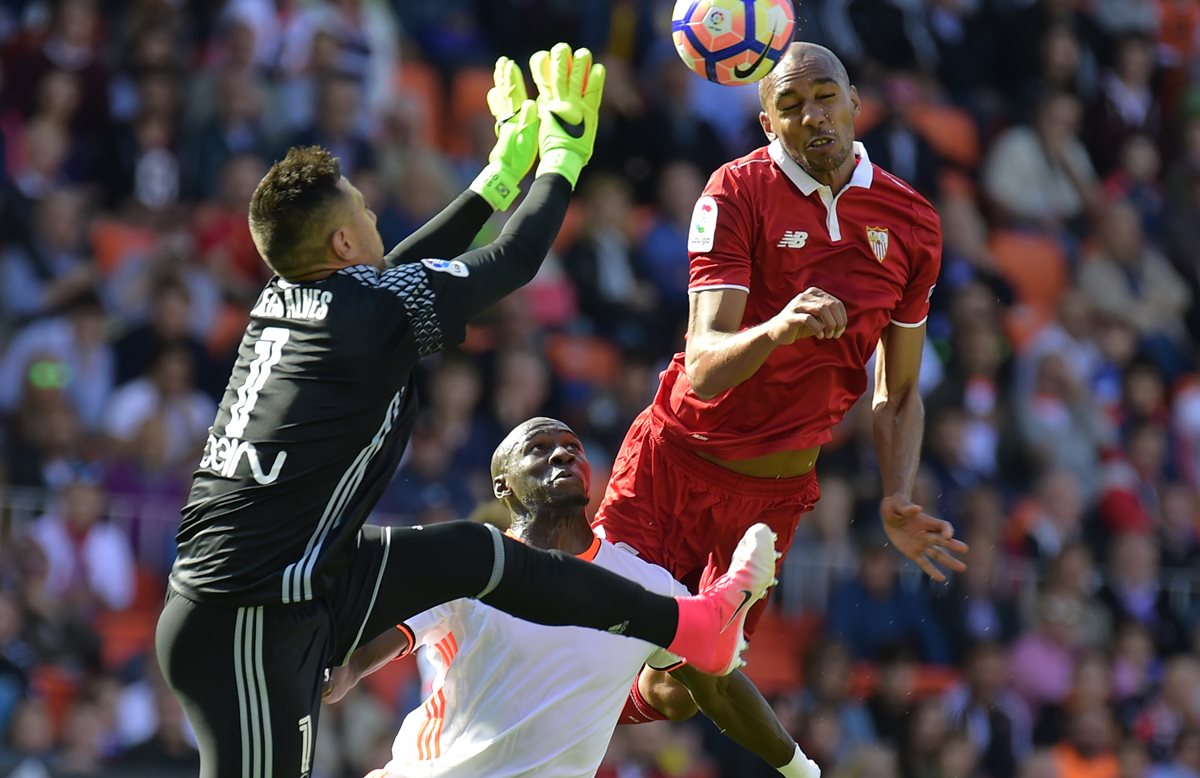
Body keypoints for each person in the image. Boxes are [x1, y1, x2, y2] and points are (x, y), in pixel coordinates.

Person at [155, 45, 778, 778]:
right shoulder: (363, 313)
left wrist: (497, 176)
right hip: (249, 616)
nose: (376, 208)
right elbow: (514, 261)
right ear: (342, 242)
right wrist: (560, 161)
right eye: (363, 206)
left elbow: (395, 279)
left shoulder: (292, 302)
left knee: (472, 555)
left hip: (298, 577)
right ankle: (693, 626)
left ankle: (694, 627)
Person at [591, 41, 969, 726]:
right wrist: (777, 330)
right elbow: (702, 364)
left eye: (825, 96)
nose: (813, 116)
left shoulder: (912, 223)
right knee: (589, 652)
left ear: (856, 102)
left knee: (684, 692)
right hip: (672, 467)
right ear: (769, 125)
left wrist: (897, 493)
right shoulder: (735, 191)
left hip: (768, 506)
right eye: (789, 106)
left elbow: (901, 391)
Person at [328, 417, 820, 778]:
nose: (562, 454)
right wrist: (344, 670)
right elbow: (383, 642)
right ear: (504, 486)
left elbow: (718, 689)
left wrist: (801, 770)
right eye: (538, 449)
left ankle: (717, 610)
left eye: (572, 447)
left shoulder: (645, 582)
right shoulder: (473, 565)